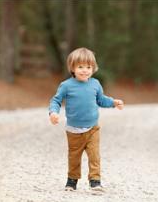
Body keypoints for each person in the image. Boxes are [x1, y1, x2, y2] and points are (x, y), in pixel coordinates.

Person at [48, 47, 124, 194]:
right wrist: (53, 113)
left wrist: (114, 102)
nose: (85, 70)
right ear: (73, 68)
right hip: (73, 130)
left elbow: (101, 100)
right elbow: (56, 100)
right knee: (74, 156)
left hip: (92, 128)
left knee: (94, 154)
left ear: (93, 68)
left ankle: (95, 182)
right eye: (80, 67)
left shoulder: (95, 84)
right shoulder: (66, 85)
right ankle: (72, 180)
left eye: (88, 67)